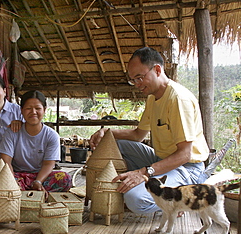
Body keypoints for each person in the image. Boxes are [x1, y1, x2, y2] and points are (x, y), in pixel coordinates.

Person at [89, 47, 210, 214]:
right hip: (161, 159)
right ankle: (151, 186)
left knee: (135, 199)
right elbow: (137, 135)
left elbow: (184, 155)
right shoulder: (153, 98)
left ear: (158, 70)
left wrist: (143, 173)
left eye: (140, 78)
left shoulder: (178, 99)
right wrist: (107, 132)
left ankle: (180, 201)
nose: (137, 84)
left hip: (186, 168)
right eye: (133, 80)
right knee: (116, 145)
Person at [0, 90, 72, 194]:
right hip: (17, 176)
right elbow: (6, 161)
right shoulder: (12, 132)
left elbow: (48, 165)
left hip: (40, 176)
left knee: (65, 178)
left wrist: (38, 181)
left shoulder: (52, 135)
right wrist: (11, 181)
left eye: (38, 108)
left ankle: (25, 191)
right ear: (22, 110)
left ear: (44, 110)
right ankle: (28, 191)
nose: (33, 112)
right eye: (28, 108)